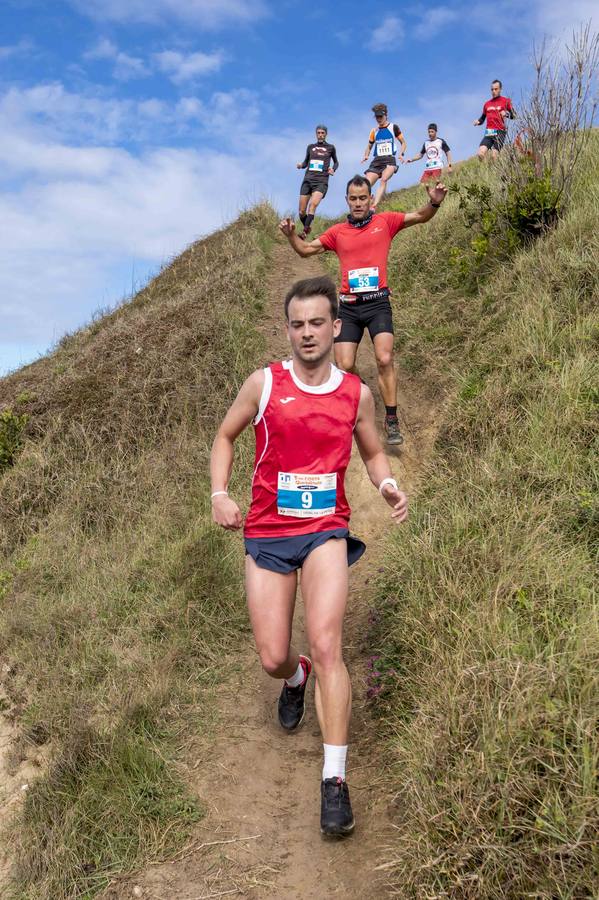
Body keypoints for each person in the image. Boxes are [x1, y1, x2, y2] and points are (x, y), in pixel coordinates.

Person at [210, 275, 409, 837]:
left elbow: (372, 453)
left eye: (317, 323)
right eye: (297, 324)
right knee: (274, 655)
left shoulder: (355, 393)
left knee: (328, 645)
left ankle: (335, 780)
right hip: (270, 532)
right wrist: (221, 493)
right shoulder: (264, 384)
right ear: (288, 329)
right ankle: (293, 678)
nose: (307, 333)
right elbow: (225, 436)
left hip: (326, 529)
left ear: (336, 326)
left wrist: (387, 484)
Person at [279, 175, 448, 445]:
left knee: (383, 358)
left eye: (362, 198)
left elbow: (419, 216)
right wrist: (290, 236)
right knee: (344, 366)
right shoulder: (337, 233)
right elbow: (305, 250)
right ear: (347, 201)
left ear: (371, 200)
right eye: (353, 199)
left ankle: (391, 419)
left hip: (378, 303)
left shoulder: (386, 221)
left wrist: (434, 204)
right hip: (349, 308)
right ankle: (363, 389)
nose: (358, 203)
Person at [362, 103, 407, 210]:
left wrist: (401, 154)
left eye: (380, 117)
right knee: (365, 185)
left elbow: (404, 143)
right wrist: (366, 155)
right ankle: (367, 204)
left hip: (389, 159)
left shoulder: (393, 127)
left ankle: (374, 206)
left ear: (386, 115)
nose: (379, 119)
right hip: (376, 161)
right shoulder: (374, 131)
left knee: (384, 179)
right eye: (377, 117)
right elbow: (369, 146)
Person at [296, 125, 339, 238]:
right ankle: (308, 227)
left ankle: (304, 232)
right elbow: (306, 163)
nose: (320, 135)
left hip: (321, 181)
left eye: (322, 133)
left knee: (313, 205)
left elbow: (336, 162)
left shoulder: (331, 148)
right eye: (318, 133)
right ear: (316, 134)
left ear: (326, 134)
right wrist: (301, 165)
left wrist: (332, 169)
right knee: (301, 212)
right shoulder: (310, 147)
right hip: (308, 179)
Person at [473, 79, 516, 160]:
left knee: (494, 156)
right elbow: (482, 118)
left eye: (496, 89)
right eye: (492, 89)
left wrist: (506, 114)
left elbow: (515, 116)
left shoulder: (506, 101)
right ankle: (485, 170)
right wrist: (478, 122)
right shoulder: (487, 104)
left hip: (500, 131)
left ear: (500, 89)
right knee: (480, 153)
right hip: (490, 131)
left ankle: (495, 171)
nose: (493, 91)